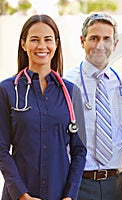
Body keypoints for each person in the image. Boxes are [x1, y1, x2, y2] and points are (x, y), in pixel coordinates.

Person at [0, 14, 87, 200]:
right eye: (34, 39)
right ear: (23, 44)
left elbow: (79, 151)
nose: (41, 46)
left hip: (60, 194)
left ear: (56, 44)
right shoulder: (7, 90)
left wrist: (70, 195)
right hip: (19, 195)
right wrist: (21, 194)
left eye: (48, 39)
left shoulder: (71, 92)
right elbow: (1, 149)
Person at [64, 12, 122, 200]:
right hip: (79, 184)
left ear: (115, 44)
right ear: (82, 41)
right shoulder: (66, 83)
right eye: (94, 38)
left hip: (118, 185)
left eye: (107, 39)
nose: (100, 45)